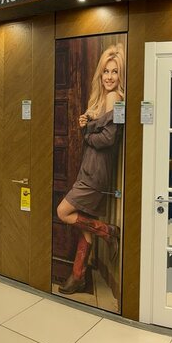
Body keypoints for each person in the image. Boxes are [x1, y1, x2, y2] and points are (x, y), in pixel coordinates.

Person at [56, 43, 125, 295]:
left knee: (63, 211)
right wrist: (88, 121)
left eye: (115, 71)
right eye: (106, 71)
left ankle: (108, 231)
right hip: (91, 168)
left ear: (121, 75)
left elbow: (108, 139)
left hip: (96, 172)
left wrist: (86, 130)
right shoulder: (102, 98)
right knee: (84, 227)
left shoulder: (115, 98)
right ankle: (78, 277)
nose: (109, 77)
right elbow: (101, 130)